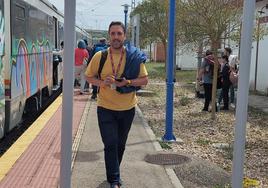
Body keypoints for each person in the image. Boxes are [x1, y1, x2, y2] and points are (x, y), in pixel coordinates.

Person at [85, 21, 148, 188]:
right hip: (105, 108)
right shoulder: (101, 56)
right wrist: (102, 83)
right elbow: (88, 77)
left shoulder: (134, 56)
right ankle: (114, 180)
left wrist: (126, 82)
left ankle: (113, 173)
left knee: (120, 145)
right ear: (109, 36)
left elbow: (144, 80)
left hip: (127, 109)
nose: (116, 37)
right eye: (113, 34)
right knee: (111, 143)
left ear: (124, 36)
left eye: (119, 34)